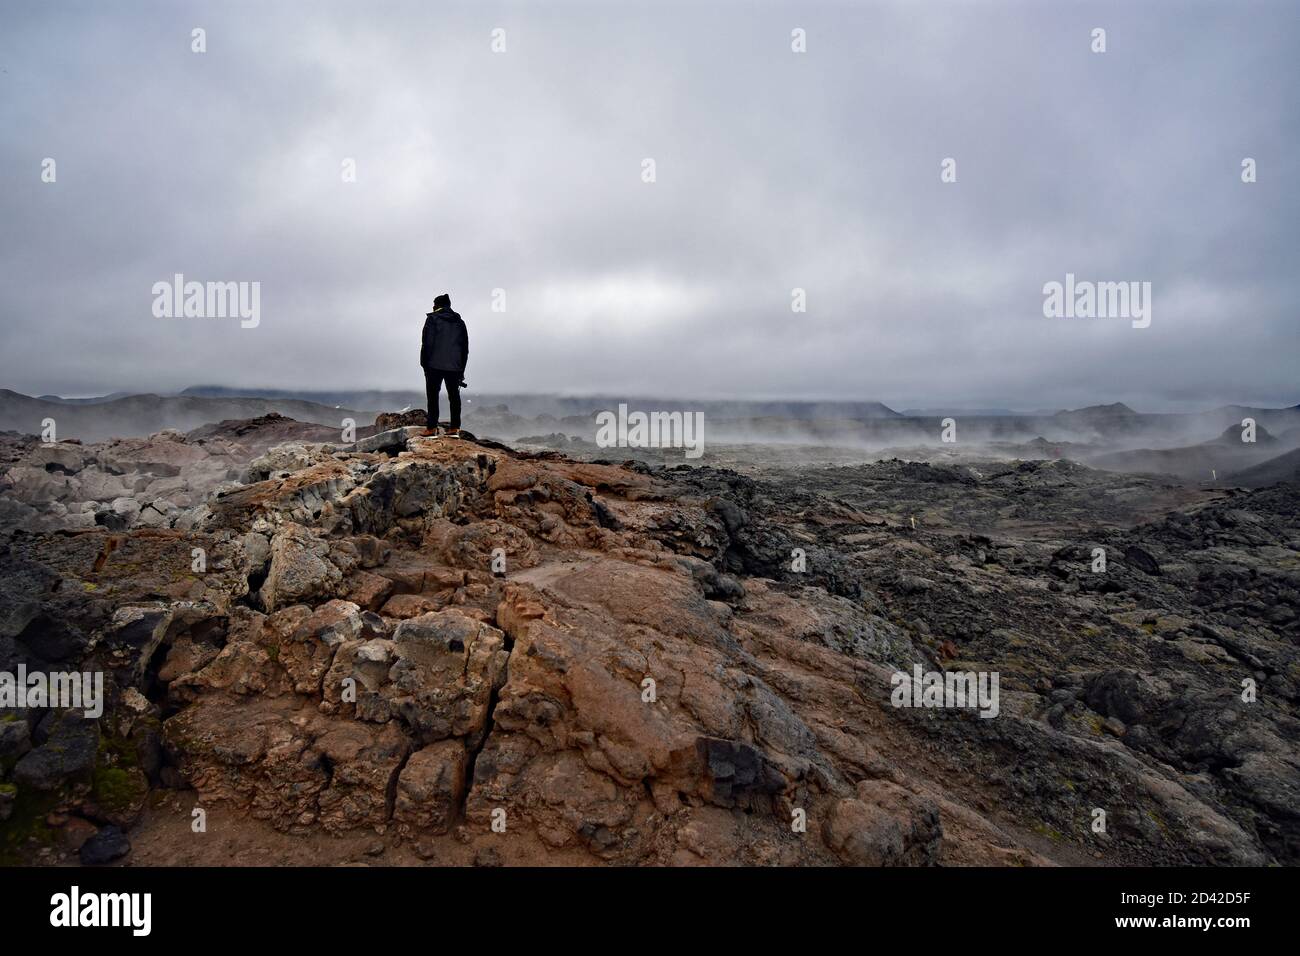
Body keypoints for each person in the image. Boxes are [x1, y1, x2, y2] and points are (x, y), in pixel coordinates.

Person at [419, 292, 468, 437]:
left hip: (434, 365)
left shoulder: (432, 319)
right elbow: (464, 348)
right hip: (455, 366)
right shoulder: (460, 322)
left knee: (433, 396)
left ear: (437, 305)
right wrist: (461, 369)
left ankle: (431, 428)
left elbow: (427, 344)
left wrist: (424, 363)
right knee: (454, 396)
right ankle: (454, 428)